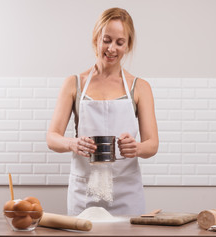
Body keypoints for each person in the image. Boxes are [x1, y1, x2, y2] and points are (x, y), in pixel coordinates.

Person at [46, 7, 158, 216]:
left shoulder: (140, 87)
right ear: (96, 39)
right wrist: (73, 143)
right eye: (106, 40)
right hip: (84, 192)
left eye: (119, 42)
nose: (112, 48)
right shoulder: (74, 84)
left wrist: (136, 148)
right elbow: (52, 138)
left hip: (126, 193)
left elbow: (152, 145)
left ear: (128, 45)